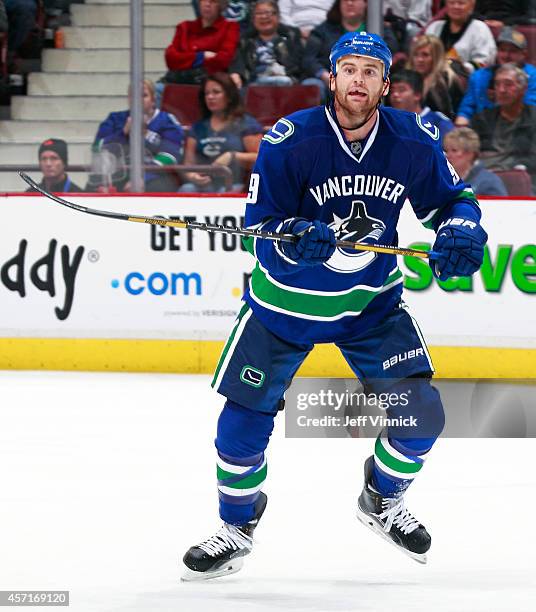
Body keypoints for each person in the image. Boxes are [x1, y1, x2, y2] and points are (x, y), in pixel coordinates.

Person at [181, 31, 487, 580]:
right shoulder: (290, 139)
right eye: (349, 69)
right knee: (239, 431)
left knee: (423, 417)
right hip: (282, 309)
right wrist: (293, 235)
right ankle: (236, 526)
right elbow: (258, 228)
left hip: (368, 307)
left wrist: (462, 227)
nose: (359, 80)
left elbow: (452, 200)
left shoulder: (413, 140)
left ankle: (382, 499)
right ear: (332, 76)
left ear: (386, 83)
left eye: (371, 71)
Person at [93, 80, 184, 192]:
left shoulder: (167, 121)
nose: (138, 100)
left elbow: (170, 156)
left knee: (159, 187)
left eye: (144, 95)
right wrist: (123, 133)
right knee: (93, 188)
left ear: (153, 99)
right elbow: (97, 147)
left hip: (154, 178)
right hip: (118, 176)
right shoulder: (115, 118)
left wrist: (142, 178)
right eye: (133, 95)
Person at [179, 72, 263, 193]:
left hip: (236, 185)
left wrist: (232, 156)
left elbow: (261, 158)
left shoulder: (246, 124)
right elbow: (188, 165)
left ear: (229, 96)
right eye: (207, 93)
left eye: (216, 92)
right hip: (203, 187)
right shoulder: (198, 127)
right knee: (186, 189)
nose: (210, 97)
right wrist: (192, 176)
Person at [302, 0, 399, 101]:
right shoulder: (323, 30)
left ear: (366, 3)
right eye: (344, 0)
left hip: (368, 78)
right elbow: (309, 59)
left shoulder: (378, 28)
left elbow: (391, 50)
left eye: (354, 0)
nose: (349, 3)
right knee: (311, 85)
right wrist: (324, 75)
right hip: (329, 81)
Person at [471, 63, 536, 190]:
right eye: (497, 84)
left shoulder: (534, 118)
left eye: (508, 84)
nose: (501, 90)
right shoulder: (481, 119)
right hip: (485, 181)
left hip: (526, 181)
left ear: (523, 89)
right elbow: (471, 154)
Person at [455, 26, 536, 125]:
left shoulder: (532, 76)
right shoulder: (479, 76)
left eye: (513, 51)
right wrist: (460, 128)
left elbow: (531, 110)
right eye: (502, 50)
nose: (506, 55)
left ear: (524, 54)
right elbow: (466, 109)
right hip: (482, 130)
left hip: (520, 128)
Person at [162, 0, 239, 86]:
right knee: (156, 89)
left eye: (213, 1)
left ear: (221, 5)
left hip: (210, 83)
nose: (207, 4)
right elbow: (170, 58)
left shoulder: (229, 27)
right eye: (204, 0)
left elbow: (223, 59)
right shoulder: (184, 27)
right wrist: (201, 56)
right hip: (179, 79)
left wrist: (184, 60)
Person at [229, 0, 303, 89]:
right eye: (259, 13)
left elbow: (298, 62)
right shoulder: (245, 40)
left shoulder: (291, 36)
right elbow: (237, 63)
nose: (263, 17)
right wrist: (236, 74)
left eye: (268, 13)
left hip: (286, 81)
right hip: (255, 83)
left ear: (278, 17)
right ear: (253, 19)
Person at [425, 0, 496, 74]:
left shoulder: (480, 29)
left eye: (461, 3)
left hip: (465, 79)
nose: (456, 7)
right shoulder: (434, 27)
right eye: (452, 3)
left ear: (471, 6)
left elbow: (484, 61)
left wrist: (460, 68)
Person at [407, 34, 466, 119]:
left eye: (425, 55)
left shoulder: (447, 80)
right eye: (416, 55)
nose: (420, 59)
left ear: (436, 57)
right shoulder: (407, 78)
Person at [389, 68, 454, 139]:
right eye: (392, 91)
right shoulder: (386, 120)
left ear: (417, 95)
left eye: (401, 90)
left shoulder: (438, 121)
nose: (395, 94)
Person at [443, 127, 508, 195]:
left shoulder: (489, 182)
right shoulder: (443, 179)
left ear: (470, 154)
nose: (448, 155)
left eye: (454, 150)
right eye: (446, 151)